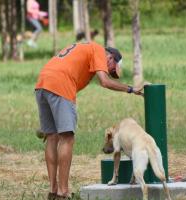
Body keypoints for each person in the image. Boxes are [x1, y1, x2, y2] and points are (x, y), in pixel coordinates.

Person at [34, 42, 143, 200]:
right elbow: (104, 82)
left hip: (43, 82)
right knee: (67, 138)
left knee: (52, 137)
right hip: (60, 84)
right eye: (112, 69)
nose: (110, 72)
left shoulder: (83, 48)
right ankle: (63, 192)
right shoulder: (98, 50)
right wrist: (131, 89)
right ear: (110, 57)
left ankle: (53, 191)